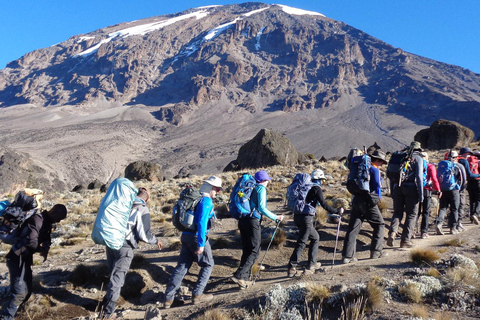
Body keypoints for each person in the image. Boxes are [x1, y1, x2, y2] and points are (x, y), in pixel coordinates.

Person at [99, 187, 162, 319]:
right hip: (125, 247)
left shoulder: (121, 204)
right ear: (147, 197)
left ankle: (105, 302)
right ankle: (107, 312)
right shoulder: (142, 209)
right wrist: (155, 241)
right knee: (117, 278)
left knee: (113, 274)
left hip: (111, 244)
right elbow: (144, 234)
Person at [0, 204, 67, 320]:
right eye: (59, 217)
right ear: (53, 211)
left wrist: (46, 247)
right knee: (19, 293)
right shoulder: (37, 220)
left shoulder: (46, 222)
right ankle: (6, 317)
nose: (59, 220)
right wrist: (40, 249)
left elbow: (46, 237)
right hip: (17, 259)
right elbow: (31, 241)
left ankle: (13, 312)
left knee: (27, 291)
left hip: (24, 259)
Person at [164, 176, 222, 308]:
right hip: (196, 237)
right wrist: (201, 244)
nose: (217, 192)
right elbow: (201, 222)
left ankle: (168, 299)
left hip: (185, 235)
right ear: (211, 187)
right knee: (208, 264)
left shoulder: (194, 199)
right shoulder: (206, 201)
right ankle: (197, 295)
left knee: (182, 266)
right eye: (217, 189)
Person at [231, 170, 284, 289]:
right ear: (264, 180)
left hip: (243, 220)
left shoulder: (251, 188)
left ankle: (243, 279)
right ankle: (239, 275)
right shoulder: (260, 189)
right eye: (267, 180)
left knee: (247, 249)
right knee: (255, 250)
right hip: (252, 221)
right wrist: (276, 217)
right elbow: (262, 208)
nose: (268, 183)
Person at [287, 169, 344, 276]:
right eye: (322, 180)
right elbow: (324, 204)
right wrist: (337, 211)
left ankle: (312, 263)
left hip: (297, 216)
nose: (323, 182)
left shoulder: (305, 187)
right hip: (306, 218)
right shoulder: (316, 188)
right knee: (301, 242)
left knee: (315, 237)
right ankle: (291, 267)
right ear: (319, 179)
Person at [342, 150, 388, 263]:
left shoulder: (360, 168)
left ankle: (347, 256)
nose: (382, 165)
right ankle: (376, 252)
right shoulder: (374, 170)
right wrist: (378, 197)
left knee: (353, 228)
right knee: (379, 225)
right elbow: (377, 185)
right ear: (377, 160)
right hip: (368, 200)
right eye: (381, 162)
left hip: (356, 199)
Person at [387, 141, 424, 248]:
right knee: (412, 214)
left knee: (398, 212)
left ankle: (392, 232)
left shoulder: (400, 157)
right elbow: (419, 177)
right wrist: (421, 195)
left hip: (397, 187)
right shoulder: (418, 158)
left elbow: (390, 174)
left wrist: (392, 190)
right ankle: (405, 241)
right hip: (411, 188)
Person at [435, 150, 466, 235]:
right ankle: (453, 228)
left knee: (443, 208)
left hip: (443, 190)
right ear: (455, 158)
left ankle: (439, 223)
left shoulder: (442, 166)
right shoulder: (458, 166)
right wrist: (460, 188)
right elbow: (463, 179)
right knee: (454, 209)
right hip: (454, 190)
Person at [416, 152, 441, 238]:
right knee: (426, 211)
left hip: (415, 189)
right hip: (426, 190)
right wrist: (438, 190)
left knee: (416, 211)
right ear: (427, 158)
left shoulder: (414, 163)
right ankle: (424, 232)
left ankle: (412, 232)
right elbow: (434, 178)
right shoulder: (430, 166)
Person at [457, 147, 480, 225]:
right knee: (478, 200)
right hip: (477, 181)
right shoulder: (476, 161)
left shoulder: (462, 161)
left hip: (469, 182)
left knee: (472, 199)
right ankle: (475, 214)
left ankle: (471, 217)